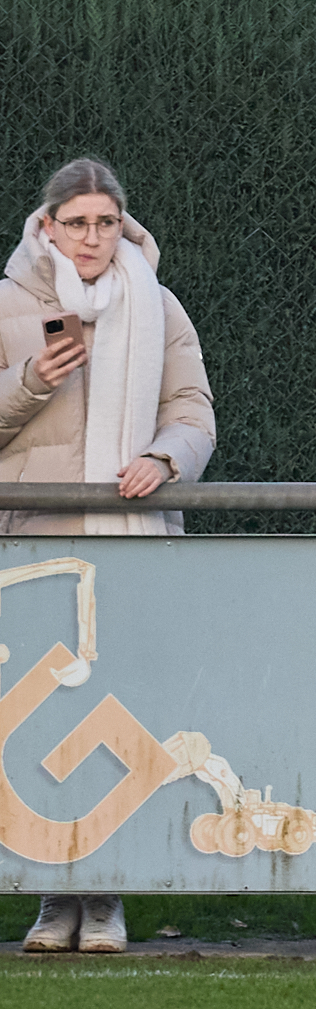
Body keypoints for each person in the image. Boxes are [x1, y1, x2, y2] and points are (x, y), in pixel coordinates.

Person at [3, 157, 215, 952]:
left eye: (106, 222)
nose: (92, 236)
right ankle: (51, 900)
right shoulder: (7, 304)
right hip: (33, 545)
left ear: (122, 225)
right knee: (37, 723)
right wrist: (30, 379)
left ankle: (106, 898)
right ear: (47, 225)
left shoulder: (158, 304)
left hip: (130, 544)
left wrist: (163, 459)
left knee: (121, 716)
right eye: (77, 222)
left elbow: (193, 412)